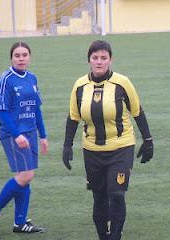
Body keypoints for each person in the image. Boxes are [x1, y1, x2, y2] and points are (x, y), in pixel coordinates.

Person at [62, 40, 154, 240]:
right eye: (95, 58)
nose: (99, 62)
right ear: (89, 60)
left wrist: (148, 140)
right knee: (99, 197)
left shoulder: (122, 83)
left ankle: (116, 235)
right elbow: (73, 117)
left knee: (117, 194)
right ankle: (103, 235)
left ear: (110, 60)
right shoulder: (79, 86)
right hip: (92, 150)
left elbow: (137, 111)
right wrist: (67, 145)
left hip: (121, 147)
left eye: (104, 58)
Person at [0, 41, 48, 234]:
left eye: (24, 55)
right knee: (25, 175)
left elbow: (36, 109)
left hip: (30, 134)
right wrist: (17, 134)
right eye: (17, 55)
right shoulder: (5, 79)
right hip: (13, 134)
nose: (21, 58)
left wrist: (43, 135)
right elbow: (2, 112)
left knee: (25, 177)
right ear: (11, 58)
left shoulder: (32, 78)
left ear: (30, 57)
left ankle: (20, 223)